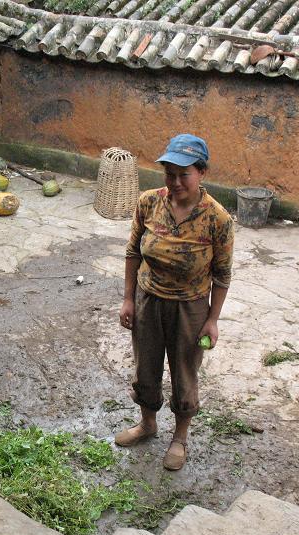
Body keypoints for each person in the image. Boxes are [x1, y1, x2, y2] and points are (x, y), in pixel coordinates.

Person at [114, 134, 234, 470]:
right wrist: (128, 299)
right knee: (145, 367)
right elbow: (133, 252)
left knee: (184, 373)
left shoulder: (218, 219)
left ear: (202, 173)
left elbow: (222, 275)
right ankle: (148, 424)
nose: (176, 181)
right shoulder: (149, 203)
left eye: (184, 174)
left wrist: (212, 320)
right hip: (148, 300)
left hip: (190, 307)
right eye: (170, 173)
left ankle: (179, 438)